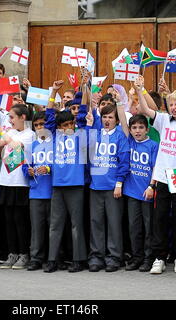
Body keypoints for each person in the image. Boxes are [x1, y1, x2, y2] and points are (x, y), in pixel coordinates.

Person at [136, 78, 176, 274]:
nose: (174, 108)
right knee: (159, 217)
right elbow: (145, 109)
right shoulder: (163, 120)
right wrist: (140, 89)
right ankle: (159, 257)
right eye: (171, 104)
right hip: (161, 175)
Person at [43, 80, 87, 273]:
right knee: (55, 224)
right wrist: (53, 91)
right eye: (64, 125)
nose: (68, 127)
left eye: (71, 123)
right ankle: (52, 259)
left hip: (76, 185)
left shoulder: (81, 134)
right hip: (58, 185)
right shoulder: (54, 135)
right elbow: (49, 116)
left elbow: (84, 112)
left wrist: (85, 88)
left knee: (76, 224)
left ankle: (79, 259)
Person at [0, 104, 35, 270]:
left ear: (23, 117)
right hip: (6, 181)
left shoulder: (30, 135)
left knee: (20, 220)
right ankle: (12, 253)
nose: (10, 120)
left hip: (20, 183)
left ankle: (24, 253)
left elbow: (15, 146)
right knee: (8, 220)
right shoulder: (11, 132)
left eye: (12, 117)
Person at [85, 102, 130, 272]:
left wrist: (119, 183)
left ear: (117, 120)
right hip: (96, 186)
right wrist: (89, 125)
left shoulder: (120, 137)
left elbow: (124, 162)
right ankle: (96, 256)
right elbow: (86, 150)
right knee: (96, 222)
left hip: (113, 187)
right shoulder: (95, 134)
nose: (107, 120)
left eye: (110, 117)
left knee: (114, 223)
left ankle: (114, 257)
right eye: (104, 116)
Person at [118, 109, 158, 272]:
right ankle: (137, 257)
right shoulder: (129, 141)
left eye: (141, 127)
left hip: (146, 192)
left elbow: (156, 167)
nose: (137, 131)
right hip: (131, 193)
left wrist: (151, 186)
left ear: (147, 129)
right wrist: (119, 102)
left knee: (148, 227)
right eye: (134, 128)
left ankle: (149, 258)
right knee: (134, 227)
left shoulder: (153, 145)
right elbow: (122, 120)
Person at [22, 111, 53, 271]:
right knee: (37, 227)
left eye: (43, 124)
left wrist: (49, 168)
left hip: (52, 192)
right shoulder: (31, 145)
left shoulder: (55, 143)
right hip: (36, 192)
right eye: (36, 125)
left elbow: (62, 165)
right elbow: (25, 166)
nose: (40, 127)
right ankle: (36, 257)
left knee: (53, 227)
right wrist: (29, 171)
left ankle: (53, 257)